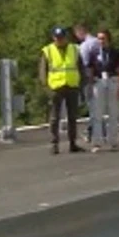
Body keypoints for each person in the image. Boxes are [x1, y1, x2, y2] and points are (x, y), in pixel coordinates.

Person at [40, 26, 83, 154]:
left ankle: (72, 143)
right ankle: (54, 144)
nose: (59, 40)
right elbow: (43, 71)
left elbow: (80, 67)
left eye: (61, 37)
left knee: (72, 117)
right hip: (56, 88)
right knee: (54, 117)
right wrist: (46, 88)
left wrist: (81, 84)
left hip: (72, 86)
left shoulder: (74, 49)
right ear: (53, 38)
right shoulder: (47, 51)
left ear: (66, 37)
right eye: (57, 38)